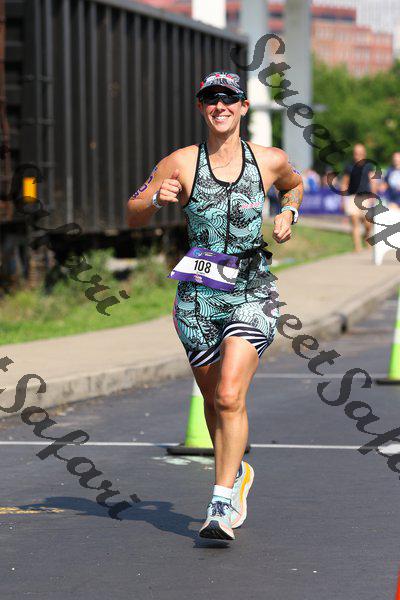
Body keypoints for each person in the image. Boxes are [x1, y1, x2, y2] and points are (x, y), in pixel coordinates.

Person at [127, 71, 303, 541]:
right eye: (211, 99)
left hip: (251, 289)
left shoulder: (269, 160)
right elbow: (132, 209)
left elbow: (294, 184)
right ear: (201, 107)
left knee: (228, 394)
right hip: (198, 295)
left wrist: (289, 211)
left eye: (229, 98)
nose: (220, 105)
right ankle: (237, 472)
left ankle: (220, 503)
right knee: (212, 401)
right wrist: (155, 199)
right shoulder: (181, 162)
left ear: (243, 107)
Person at [341, 143, 378, 252]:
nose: (358, 155)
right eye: (356, 153)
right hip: (352, 197)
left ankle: (367, 236)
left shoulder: (369, 166)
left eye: (360, 153)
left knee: (367, 223)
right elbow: (344, 183)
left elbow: (373, 181)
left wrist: (373, 196)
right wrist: (343, 200)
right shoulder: (349, 166)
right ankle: (358, 248)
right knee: (354, 221)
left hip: (365, 197)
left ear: (364, 153)